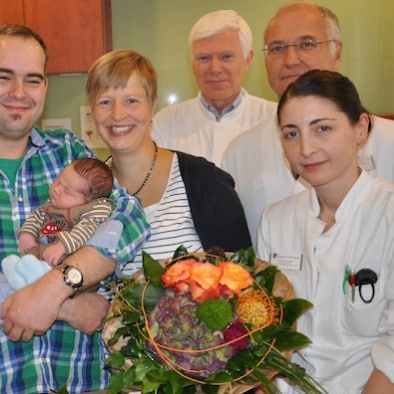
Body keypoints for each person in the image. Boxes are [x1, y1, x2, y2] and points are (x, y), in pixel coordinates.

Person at [0, 24, 148, 393]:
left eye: (32, 80)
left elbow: (128, 217)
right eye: (4, 77)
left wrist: (55, 287)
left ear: (45, 89)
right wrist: (63, 305)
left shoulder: (69, 153)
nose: (19, 93)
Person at [257, 69, 394, 393]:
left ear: (360, 128)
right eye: (291, 134)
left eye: (322, 129)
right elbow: (267, 330)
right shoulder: (275, 221)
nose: (306, 148)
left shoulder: (387, 213)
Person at [221, 1, 394, 244]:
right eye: (277, 48)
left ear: (338, 53)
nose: (291, 59)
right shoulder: (239, 152)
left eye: (307, 44)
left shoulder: (390, 141)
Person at [86, 49, 251, 278]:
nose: (118, 114)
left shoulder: (203, 181)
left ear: (153, 104)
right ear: (92, 110)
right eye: (105, 102)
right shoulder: (86, 192)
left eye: (131, 101)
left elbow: (243, 280)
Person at [151, 9, 275, 166]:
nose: (215, 69)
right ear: (192, 63)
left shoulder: (275, 120)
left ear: (247, 60)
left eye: (226, 57)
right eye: (204, 58)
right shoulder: (163, 125)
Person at [17, 157, 114, 265]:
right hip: (41, 252)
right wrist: (27, 233)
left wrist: (62, 246)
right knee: (20, 262)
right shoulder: (53, 203)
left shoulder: (93, 209)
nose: (56, 189)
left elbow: (86, 229)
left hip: (66, 258)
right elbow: (37, 215)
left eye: (67, 191)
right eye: (58, 181)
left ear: (88, 201)